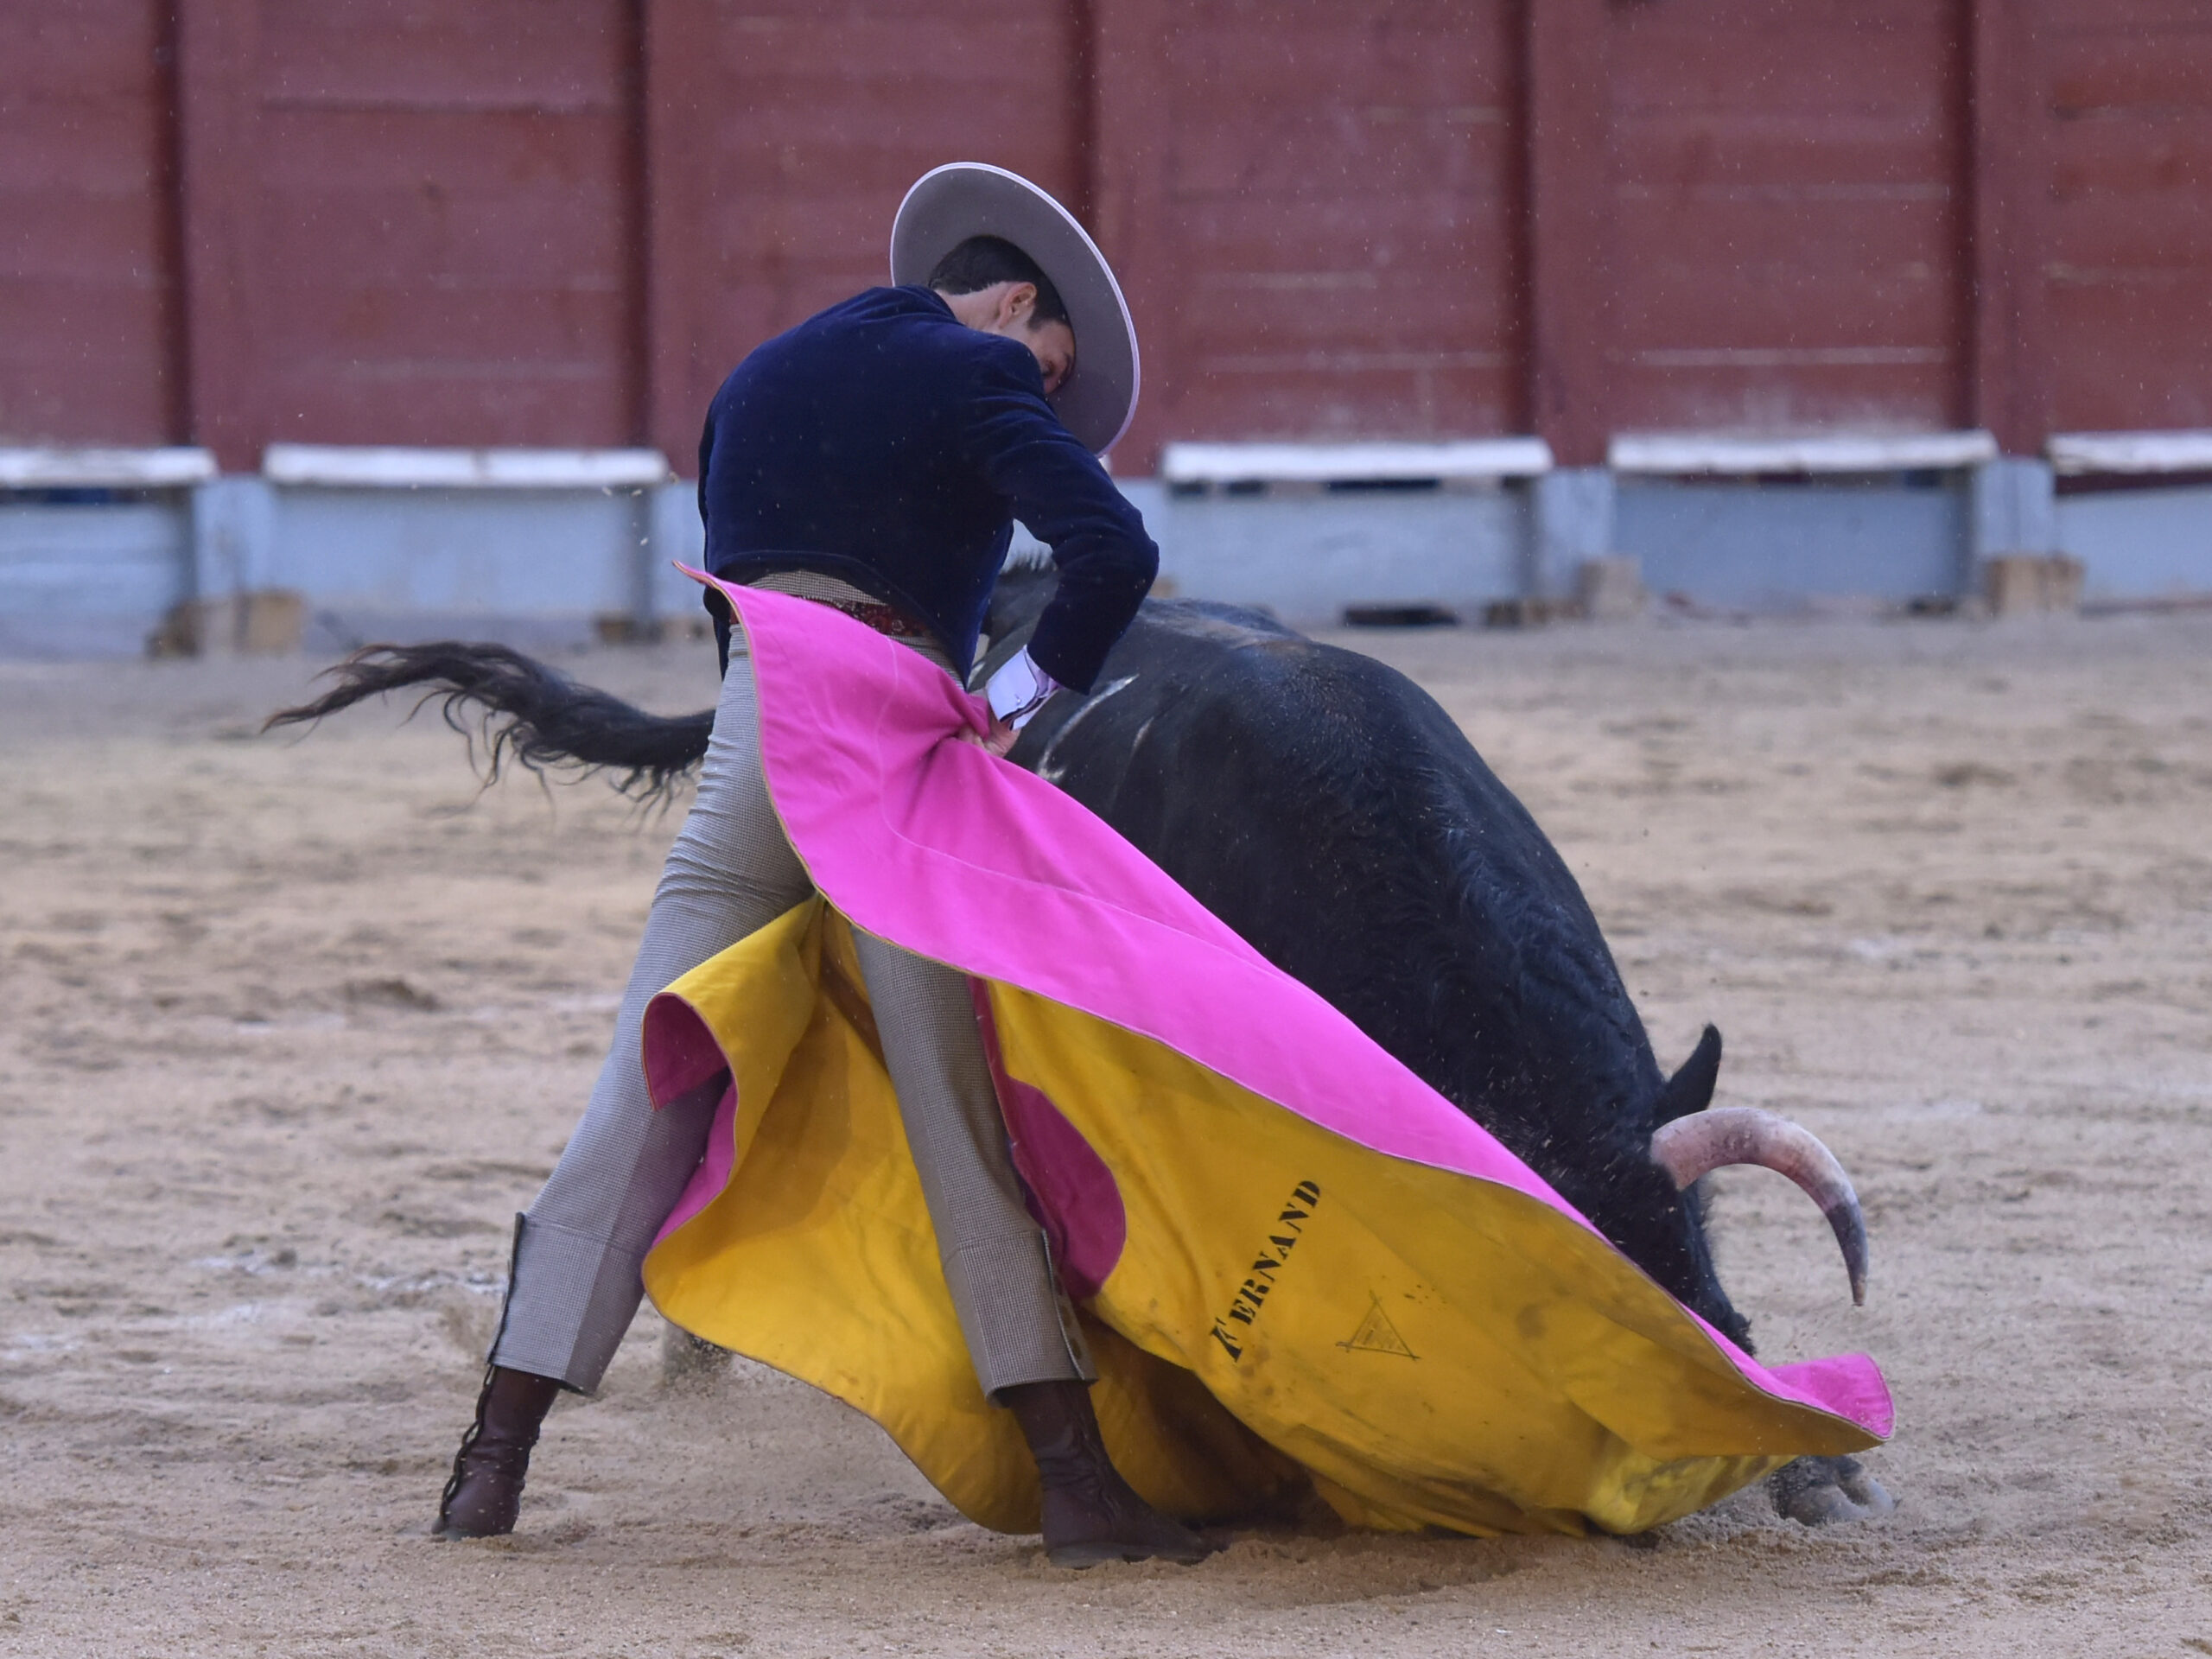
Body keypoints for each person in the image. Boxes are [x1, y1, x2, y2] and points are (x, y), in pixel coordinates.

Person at [433, 164, 1207, 1567]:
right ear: (1013, 301)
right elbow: (1111, 547)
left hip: (755, 738)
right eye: (1051, 364)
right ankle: (1075, 1485)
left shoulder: (757, 377)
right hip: (889, 744)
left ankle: (493, 1462)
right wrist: (1015, 695)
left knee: (645, 1087)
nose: (1041, 390)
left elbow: (743, 602)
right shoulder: (979, 378)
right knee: (956, 1105)